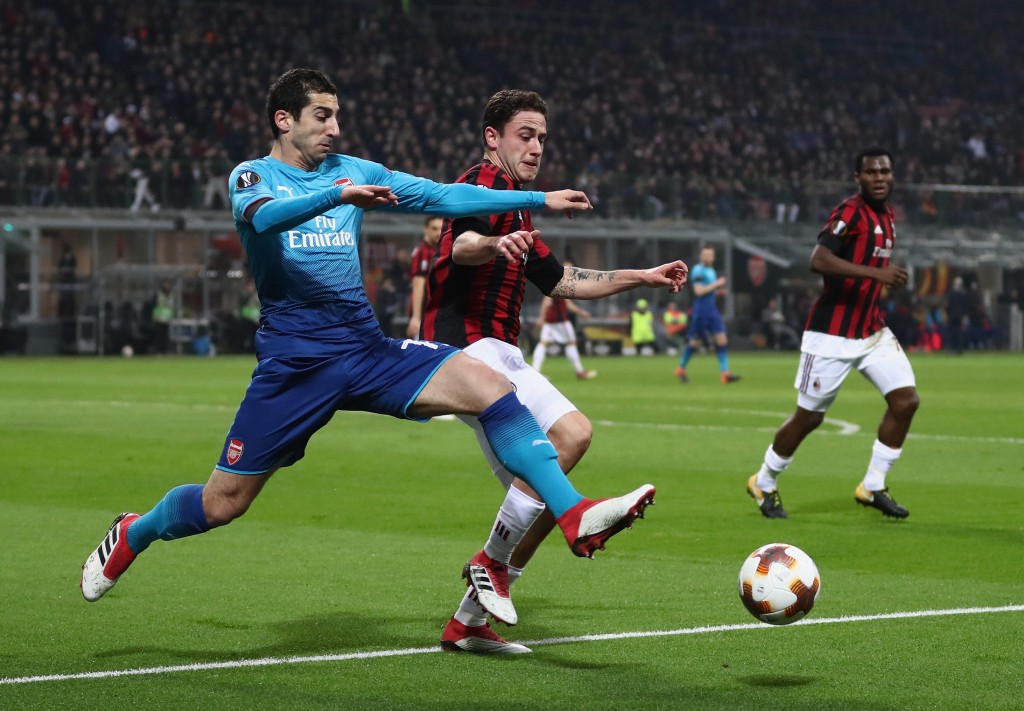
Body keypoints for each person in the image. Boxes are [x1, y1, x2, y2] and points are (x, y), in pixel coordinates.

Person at [80, 70, 659, 630]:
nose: (334, 127)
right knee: (222, 504)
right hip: (296, 365)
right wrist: (337, 195)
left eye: (337, 116)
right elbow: (266, 220)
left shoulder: (352, 169)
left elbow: (439, 196)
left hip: (364, 348)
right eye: (321, 116)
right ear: (284, 120)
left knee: (491, 388)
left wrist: (542, 197)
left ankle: (573, 511)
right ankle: (136, 531)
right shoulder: (252, 178)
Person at [422, 88, 688, 654]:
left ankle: (469, 620)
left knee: (556, 467)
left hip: (500, 350)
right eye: (526, 133)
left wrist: (644, 275)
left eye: (543, 136)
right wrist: (495, 243)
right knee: (562, 448)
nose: (537, 145)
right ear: (492, 136)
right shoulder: (479, 185)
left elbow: (565, 280)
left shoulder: (521, 206)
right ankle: (493, 562)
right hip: (466, 349)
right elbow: (462, 244)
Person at [746, 148, 920, 520]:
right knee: (809, 417)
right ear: (858, 178)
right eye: (871, 172)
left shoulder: (888, 215)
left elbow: (870, 266)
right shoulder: (849, 212)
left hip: (871, 329)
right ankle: (764, 480)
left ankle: (872, 485)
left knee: (906, 401)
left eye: (885, 171)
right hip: (831, 335)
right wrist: (878, 275)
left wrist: (885, 277)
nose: (879, 177)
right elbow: (818, 260)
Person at [675, 244, 741, 383]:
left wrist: (718, 292)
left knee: (722, 339)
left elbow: (708, 290)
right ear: (701, 256)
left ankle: (725, 374)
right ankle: (681, 369)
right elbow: (699, 291)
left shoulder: (711, 270)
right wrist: (717, 285)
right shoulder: (698, 270)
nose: (707, 257)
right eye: (705, 254)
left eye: (709, 255)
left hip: (712, 309)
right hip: (701, 310)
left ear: (713, 256)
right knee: (695, 343)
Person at [531, 262, 597, 379]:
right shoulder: (560, 282)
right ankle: (580, 372)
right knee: (570, 343)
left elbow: (559, 302)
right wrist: (541, 318)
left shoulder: (557, 281)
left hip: (550, 321)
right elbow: (549, 301)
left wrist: (542, 318)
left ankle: (535, 371)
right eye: (570, 269)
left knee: (543, 344)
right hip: (560, 321)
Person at [405, 216, 442, 338]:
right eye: (434, 229)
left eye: (440, 229)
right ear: (426, 229)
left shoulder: (439, 250)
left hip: (436, 313)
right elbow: (418, 284)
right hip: (424, 314)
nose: (438, 233)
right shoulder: (423, 252)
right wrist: (416, 317)